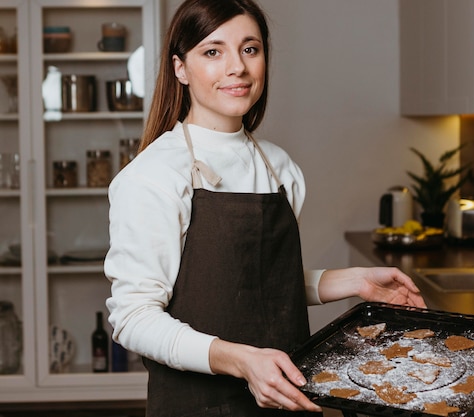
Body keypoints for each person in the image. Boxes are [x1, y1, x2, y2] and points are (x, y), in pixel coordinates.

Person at [104, 0, 426, 416]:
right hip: (198, 405)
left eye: (250, 49)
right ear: (181, 68)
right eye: (213, 51)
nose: (236, 67)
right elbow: (133, 319)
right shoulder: (152, 176)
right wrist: (242, 362)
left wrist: (356, 281)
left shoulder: (279, 167)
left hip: (286, 397)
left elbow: (256, 283)